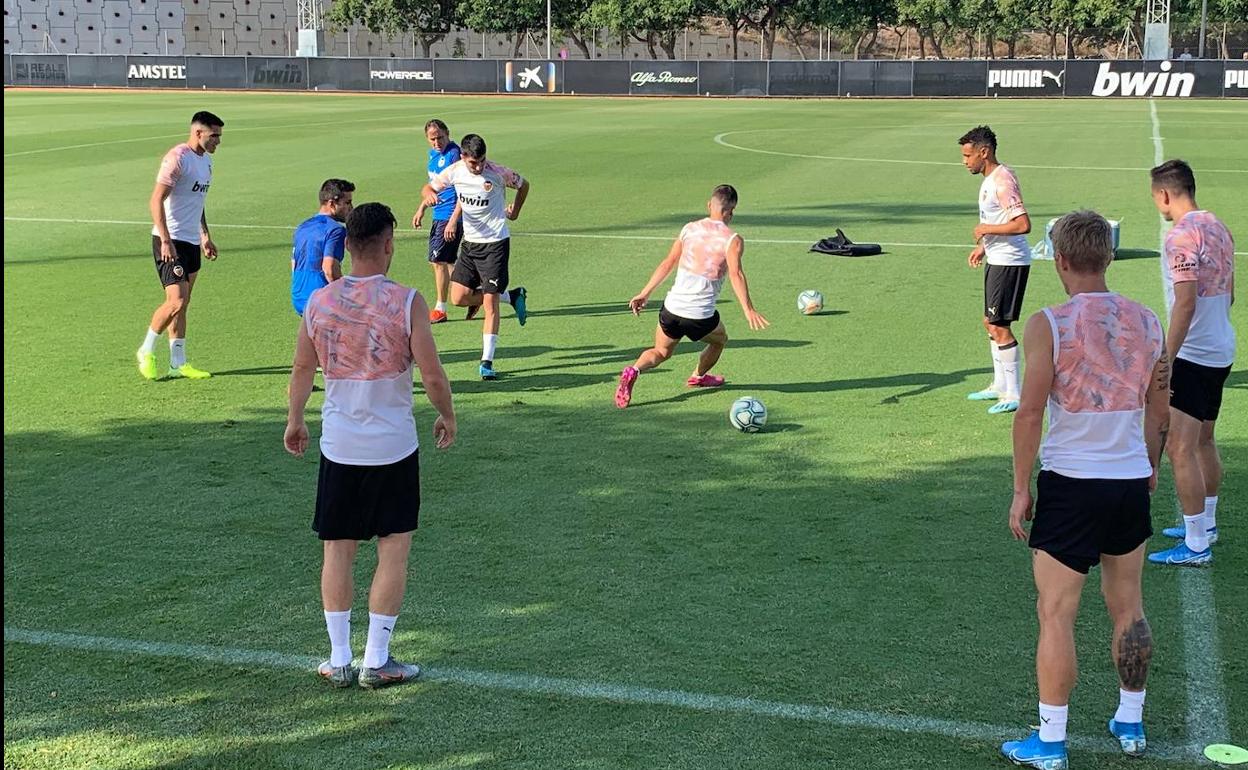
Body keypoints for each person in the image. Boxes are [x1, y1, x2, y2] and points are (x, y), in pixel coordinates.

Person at [1003, 211, 1168, 768]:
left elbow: (1028, 414)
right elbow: (1158, 408)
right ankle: (1131, 720)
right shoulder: (1147, 320)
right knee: (1130, 609)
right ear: (1110, 257)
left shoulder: (1048, 323)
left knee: (1056, 612)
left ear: (1062, 260)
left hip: (1071, 484)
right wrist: (1149, 467)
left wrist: (1021, 489)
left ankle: (1050, 740)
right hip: (1126, 483)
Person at [284, 202, 456, 689]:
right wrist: (447, 415)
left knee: (337, 552)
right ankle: (376, 660)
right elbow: (432, 373)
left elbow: (301, 369)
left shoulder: (320, 301)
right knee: (393, 551)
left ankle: (339, 659)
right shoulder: (407, 300)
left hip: (339, 447)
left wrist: (295, 420)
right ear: (386, 244)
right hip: (393, 448)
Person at [1147, 160, 1236, 567]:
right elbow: (1229, 294)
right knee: (1203, 441)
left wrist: (1165, 356)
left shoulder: (1180, 236)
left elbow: (1185, 302)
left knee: (1180, 447)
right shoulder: (1219, 226)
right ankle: (1207, 525)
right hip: (1222, 348)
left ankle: (1197, 545)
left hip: (1195, 355)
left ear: (1164, 194)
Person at [614, 185, 769, 408]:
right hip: (700, 315)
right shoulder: (732, 239)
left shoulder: (689, 228)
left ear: (710, 205)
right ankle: (697, 376)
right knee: (720, 340)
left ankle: (634, 369)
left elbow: (668, 262)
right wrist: (748, 309)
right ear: (731, 211)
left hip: (671, 309)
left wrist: (645, 292)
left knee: (660, 351)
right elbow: (736, 274)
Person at [422, 133, 530, 380]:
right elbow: (429, 186)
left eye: (481, 161)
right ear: (463, 158)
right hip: (470, 245)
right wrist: (427, 194)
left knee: (489, 304)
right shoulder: (455, 171)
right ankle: (512, 296)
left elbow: (524, 184)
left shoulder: (497, 172)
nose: (479, 167)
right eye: (474, 163)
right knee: (459, 298)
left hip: (495, 244)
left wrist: (515, 212)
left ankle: (487, 362)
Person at [136, 111, 224, 380]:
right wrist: (164, 240)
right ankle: (146, 349)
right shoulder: (177, 158)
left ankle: (178, 363)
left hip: (191, 241)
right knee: (176, 301)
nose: (218, 142)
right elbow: (155, 200)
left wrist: (205, 235)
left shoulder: (206, 163)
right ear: (198, 132)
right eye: (214, 136)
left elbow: (197, 203)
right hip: (170, 240)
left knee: (183, 305)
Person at [959, 125, 1032, 414]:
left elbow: (1023, 224)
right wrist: (984, 246)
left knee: (999, 326)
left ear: (984, 152)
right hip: (997, 257)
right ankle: (999, 385)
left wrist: (986, 229)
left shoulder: (1003, 181)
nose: (965, 161)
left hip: (1010, 262)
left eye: (968, 155)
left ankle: (1013, 393)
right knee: (990, 322)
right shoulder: (990, 178)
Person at [411, 119, 462, 325]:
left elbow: (461, 190)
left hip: (449, 215)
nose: (436, 142)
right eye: (432, 139)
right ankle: (474, 293)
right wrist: (422, 207)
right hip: (439, 214)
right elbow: (434, 187)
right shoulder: (433, 156)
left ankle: (441, 308)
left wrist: (453, 221)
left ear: (448, 134)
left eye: (440, 137)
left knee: (437, 261)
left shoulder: (454, 155)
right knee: (448, 261)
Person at [291, 179, 354, 316]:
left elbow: (294, 264)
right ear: (332, 203)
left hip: (299, 297)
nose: (351, 207)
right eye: (347, 203)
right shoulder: (335, 231)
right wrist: (346, 296)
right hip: (322, 301)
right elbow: (329, 269)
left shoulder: (302, 227)